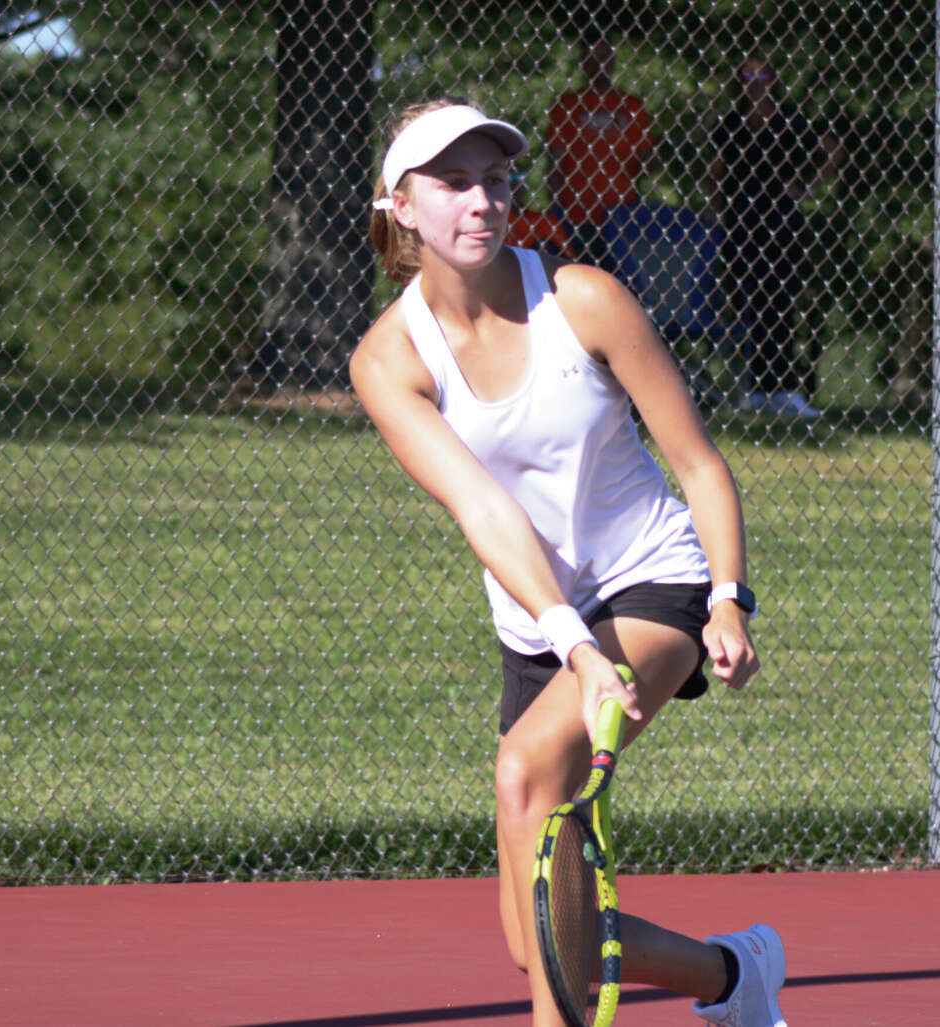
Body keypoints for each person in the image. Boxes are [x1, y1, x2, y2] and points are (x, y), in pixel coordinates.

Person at [351, 98, 788, 1027]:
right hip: (540, 625)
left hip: (653, 579)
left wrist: (727, 597)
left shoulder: (582, 296)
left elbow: (700, 461)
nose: (482, 201)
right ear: (399, 205)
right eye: (454, 182)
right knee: (542, 937)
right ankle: (733, 977)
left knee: (522, 770)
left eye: (497, 180)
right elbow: (483, 508)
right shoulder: (390, 359)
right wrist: (570, 645)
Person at [710, 55, 843, 420]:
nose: (756, 80)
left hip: (781, 220)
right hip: (740, 222)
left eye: (763, 73)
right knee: (745, 299)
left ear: (773, 79)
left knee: (779, 301)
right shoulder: (732, 122)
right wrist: (717, 208)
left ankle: (782, 389)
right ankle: (752, 388)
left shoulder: (789, 119)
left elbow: (831, 149)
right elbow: (717, 170)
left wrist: (807, 187)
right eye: (748, 73)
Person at [545, 34, 657, 271]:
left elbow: (648, 156)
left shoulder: (631, 105)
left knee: (621, 279)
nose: (599, 64)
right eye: (592, 58)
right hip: (576, 213)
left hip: (622, 213)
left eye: (604, 57)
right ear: (583, 63)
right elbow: (554, 159)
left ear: (614, 61)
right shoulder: (568, 105)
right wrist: (557, 206)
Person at [504, 171, 576, 259]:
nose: (514, 185)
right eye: (509, 178)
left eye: (520, 178)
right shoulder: (497, 220)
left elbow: (569, 257)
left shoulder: (543, 221)